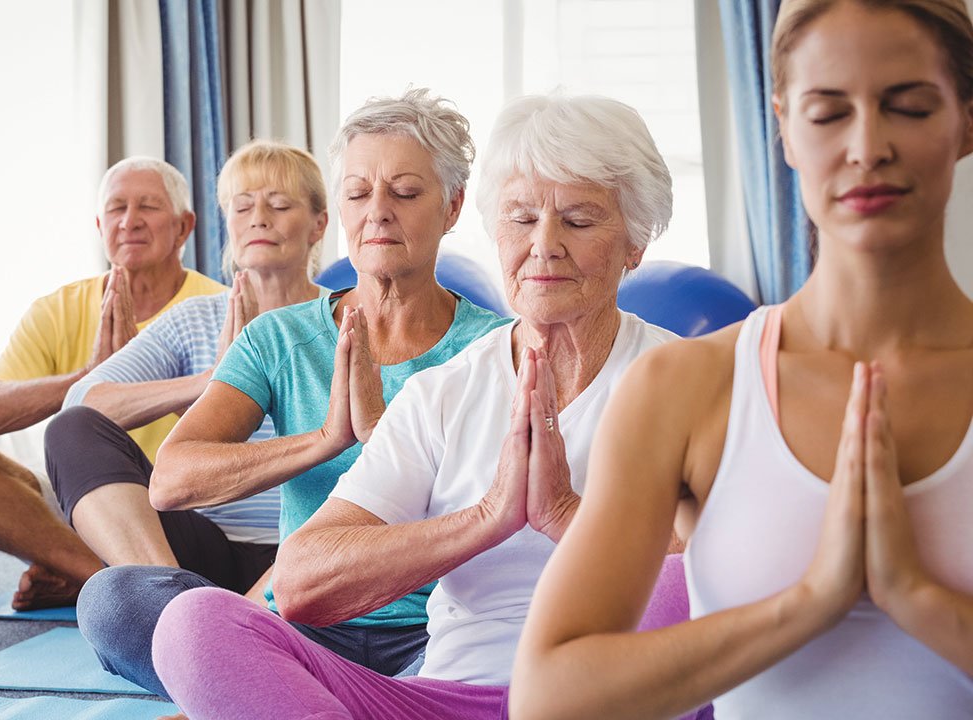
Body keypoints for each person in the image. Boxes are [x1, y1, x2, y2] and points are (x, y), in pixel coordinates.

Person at [147, 91, 692, 720]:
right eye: (520, 218)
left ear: (634, 244)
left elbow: (737, 572)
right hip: (445, 698)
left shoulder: (688, 380)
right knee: (195, 622)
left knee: (683, 594)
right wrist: (488, 518)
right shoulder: (445, 391)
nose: (543, 245)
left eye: (578, 220)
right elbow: (299, 584)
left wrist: (565, 513)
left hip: (607, 695)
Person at [511, 2, 973, 718]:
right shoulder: (684, 387)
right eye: (827, 114)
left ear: (966, 120)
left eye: (908, 106)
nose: (867, 146)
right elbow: (552, 697)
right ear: (784, 128)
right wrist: (809, 602)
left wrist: (915, 596)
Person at [74, 88, 509, 699]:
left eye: (406, 193)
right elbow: (171, 480)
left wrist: (386, 441)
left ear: (453, 205)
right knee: (113, 602)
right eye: (358, 193)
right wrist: (327, 439)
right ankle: (324, 695)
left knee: (507, 658)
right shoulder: (279, 337)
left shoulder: (495, 348)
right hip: (300, 627)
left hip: (435, 631)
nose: (377, 212)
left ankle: (285, 697)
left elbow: (502, 515)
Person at [44, 140, 330, 627]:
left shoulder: (346, 320)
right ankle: (176, 613)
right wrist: (210, 382)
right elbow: (83, 402)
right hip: (204, 555)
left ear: (319, 224)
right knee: (69, 431)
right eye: (242, 206)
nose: (259, 217)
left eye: (279, 204)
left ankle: (202, 630)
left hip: (311, 550)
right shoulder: (195, 319)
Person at [0, 158, 222, 609]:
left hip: (179, 510)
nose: (130, 221)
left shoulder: (215, 307)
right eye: (117, 208)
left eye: (148, 207)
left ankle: (112, 576)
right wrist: (91, 377)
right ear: (101, 225)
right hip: (84, 500)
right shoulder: (58, 308)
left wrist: (143, 380)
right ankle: (94, 575)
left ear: (183, 227)